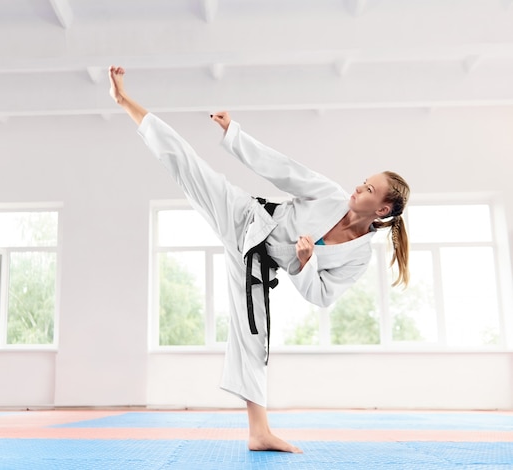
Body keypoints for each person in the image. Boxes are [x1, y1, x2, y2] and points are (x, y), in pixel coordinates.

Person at [108, 65, 410, 453]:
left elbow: (320, 296)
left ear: (383, 210)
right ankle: (125, 101)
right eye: (363, 179)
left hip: (256, 264)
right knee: (186, 163)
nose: (357, 187)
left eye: (368, 188)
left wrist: (305, 263)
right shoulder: (331, 194)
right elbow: (283, 170)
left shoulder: (357, 257)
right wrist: (233, 133)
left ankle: (258, 433)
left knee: (254, 340)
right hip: (247, 216)